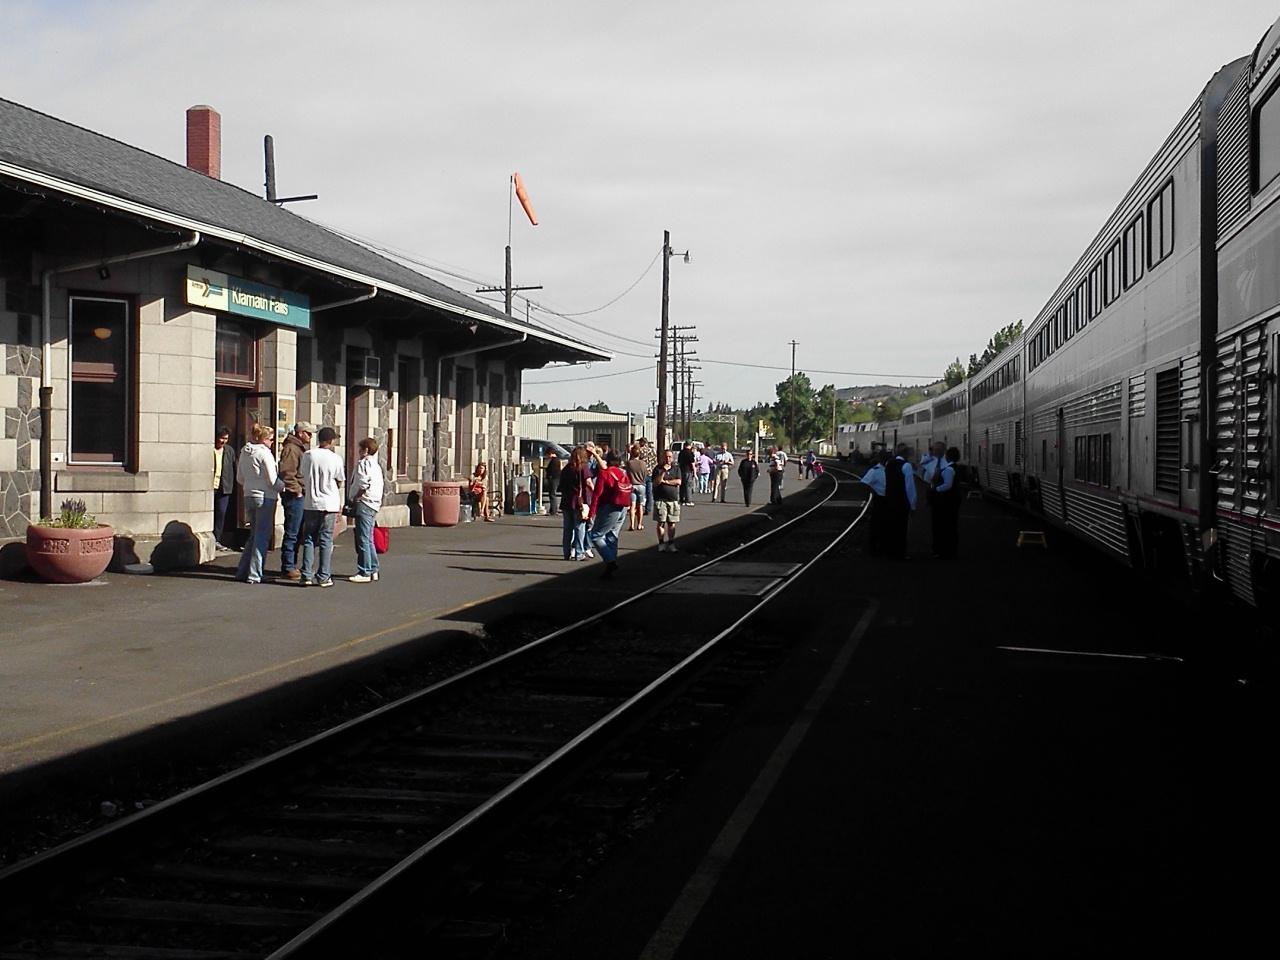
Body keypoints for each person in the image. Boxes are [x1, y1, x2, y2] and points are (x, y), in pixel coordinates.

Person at [234, 424, 283, 583]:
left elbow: (239, 478)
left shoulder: (244, 452)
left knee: (254, 534)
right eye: (270, 439)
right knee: (262, 535)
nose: (272, 442)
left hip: (249, 494)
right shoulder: (265, 453)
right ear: (263, 439)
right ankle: (255, 574)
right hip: (265, 496)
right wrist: (283, 487)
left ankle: (242, 571)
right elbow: (272, 479)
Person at [299, 426, 344, 587]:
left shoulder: (308, 455)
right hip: (329, 502)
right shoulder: (335, 458)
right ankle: (324, 575)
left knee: (309, 538)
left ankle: (306, 575)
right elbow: (339, 480)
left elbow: (302, 474)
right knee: (326, 539)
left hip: (311, 502)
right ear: (330, 441)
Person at [276, 421, 313, 580]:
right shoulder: (292, 449)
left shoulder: (299, 448)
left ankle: (292, 564)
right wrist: (297, 491)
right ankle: (288, 566)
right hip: (294, 496)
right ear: (300, 433)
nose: (310, 437)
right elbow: (287, 473)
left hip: (300, 494)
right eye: (308, 433)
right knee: (292, 531)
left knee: (297, 532)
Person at [589, 450, 631, 579]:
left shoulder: (605, 474)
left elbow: (597, 494)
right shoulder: (623, 473)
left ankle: (610, 561)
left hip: (609, 506)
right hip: (622, 506)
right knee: (612, 535)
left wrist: (592, 513)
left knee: (596, 535)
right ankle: (610, 566)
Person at [348, 437, 385, 583]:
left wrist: (356, 497)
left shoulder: (363, 464)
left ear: (366, 450)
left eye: (360, 449)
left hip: (365, 502)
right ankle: (373, 568)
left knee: (363, 537)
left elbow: (363, 484)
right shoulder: (376, 465)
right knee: (368, 537)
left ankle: (365, 571)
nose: (358, 451)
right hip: (374, 503)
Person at [881, 443, 917, 560]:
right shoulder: (906, 466)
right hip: (902, 501)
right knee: (901, 528)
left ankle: (889, 551)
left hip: (890, 499)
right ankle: (900, 553)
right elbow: (909, 487)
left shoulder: (888, 464)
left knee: (890, 526)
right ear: (906, 453)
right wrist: (913, 505)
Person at [560, 446, 591, 561]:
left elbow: (561, 486)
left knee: (567, 529)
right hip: (578, 501)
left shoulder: (567, 468)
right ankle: (579, 553)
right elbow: (588, 482)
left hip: (566, 500)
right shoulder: (583, 468)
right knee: (580, 528)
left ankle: (566, 553)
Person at [931, 447, 961, 560]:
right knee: (951, 526)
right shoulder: (955, 468)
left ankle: (944, 551)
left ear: (948, 456)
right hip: (953, 501)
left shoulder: (948, 469)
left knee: (944, 526)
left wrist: (936, 489)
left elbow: (948, 485)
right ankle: (951, 550)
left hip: (946, 502)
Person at [652, 449, 683, 551]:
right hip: (661, 499)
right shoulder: (657, 469)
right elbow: (656, 483)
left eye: (669, 457)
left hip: (673, 499)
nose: (668, 459)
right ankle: (661, 543)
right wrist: (663, 472)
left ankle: (671, 543)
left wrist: (666, 482)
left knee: (671, 523)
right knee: (661, 522)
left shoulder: (676, 468)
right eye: (666, 457)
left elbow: (678, 481)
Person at [212, 426, 237, 552]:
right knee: (211, 513)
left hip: (224, 487)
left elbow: (234, 467)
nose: (223, 441)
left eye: (226, 439)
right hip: (211, 486)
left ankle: (217, 539)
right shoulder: (210, 449)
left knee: (221, 513)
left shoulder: (229, 451)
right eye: (221, 438)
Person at [860, 453, 888, 557]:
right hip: (879, 499)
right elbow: (864, 483)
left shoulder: (890, 470)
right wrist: (874, 492)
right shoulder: (874, 470)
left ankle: (883, 547)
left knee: (885, 525)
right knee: (876, 525)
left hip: (888, 499)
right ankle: (873, 549)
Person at [627, 443, 649, 532]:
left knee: (632, 505)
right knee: (640, 505)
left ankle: (631, 524)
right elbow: (645, 475)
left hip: (632, 484)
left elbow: (627, 473)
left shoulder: (629, 463)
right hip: (641, 485)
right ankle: (639, 524)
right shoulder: (643, 464)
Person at [639, 437, 658, 518]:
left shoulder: (640, 450)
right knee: (649, 492)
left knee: (641, 492)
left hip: (642, 473)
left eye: (640, 442)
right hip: (650, 473)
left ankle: (639, 508)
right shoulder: (652, 451)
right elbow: (655, 462)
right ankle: (648, 509)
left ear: (643, 442)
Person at [678, 441, 696, 506]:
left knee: (682, 486)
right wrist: (695, 472)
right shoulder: (690, 453)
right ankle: (688, 500)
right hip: (688, 471)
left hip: (681, 470)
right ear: (690, 445)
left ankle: (681, 500)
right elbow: (692, 464)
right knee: (688, 486)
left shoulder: (681, 452)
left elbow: (679, 462)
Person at [544, 449, 562, 516]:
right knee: (553, 494)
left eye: (547, 454)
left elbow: (552, 470)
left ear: (550, 453)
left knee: (552, 494)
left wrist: (548, 474)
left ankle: (554, 510)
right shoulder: (557, 460)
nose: (547, 456)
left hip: (553, 479)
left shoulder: (554, 461)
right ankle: (553, 510)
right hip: (556, 479)